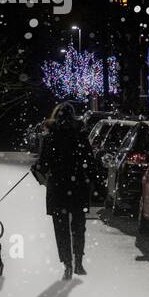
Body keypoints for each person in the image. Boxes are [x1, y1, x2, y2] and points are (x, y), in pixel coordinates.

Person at [35, 102, 94, 280]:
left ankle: (67, 264)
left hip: (58, 187)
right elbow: (90, 162)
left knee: (61, 228)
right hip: (78, 187)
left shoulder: (50, 138)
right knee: (78, 226)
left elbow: (43, 165)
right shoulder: (80, 136)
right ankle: (79, 262)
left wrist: (37, 168)